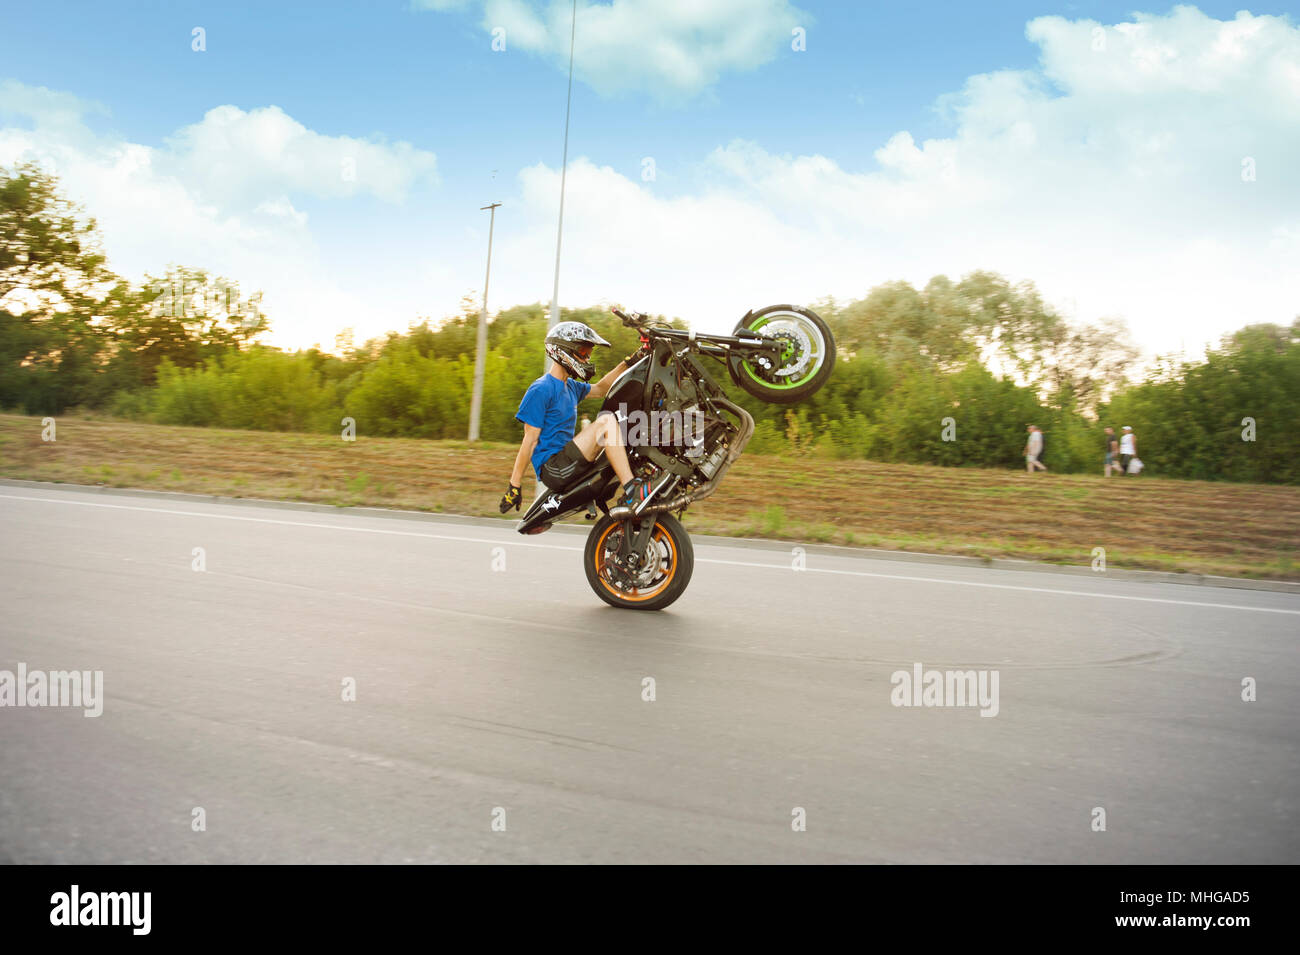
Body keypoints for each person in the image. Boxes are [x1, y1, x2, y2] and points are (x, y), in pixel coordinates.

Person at [498, 319, 649, 519]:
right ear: (563, 351)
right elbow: (530, 441)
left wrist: (631, 361)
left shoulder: (571, 387)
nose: (587, 360)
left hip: (568, 459)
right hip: (554, 468)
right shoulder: (541, 389)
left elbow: (602, 388)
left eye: (589, 354)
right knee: (606, 422)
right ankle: (632, 491)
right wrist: (514, 485)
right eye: (584, 353)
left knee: (621, 427)